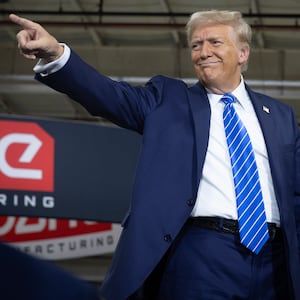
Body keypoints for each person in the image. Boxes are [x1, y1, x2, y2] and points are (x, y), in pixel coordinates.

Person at [9, 10, 300, 300]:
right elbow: (107, 94)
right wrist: (56, 54)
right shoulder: (168, 99)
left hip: (274, 261)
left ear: (243, 53)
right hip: (202, 253)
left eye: (214, 42)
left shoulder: (281, 116)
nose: (203, 52)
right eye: (196, 45)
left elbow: (295, 195)